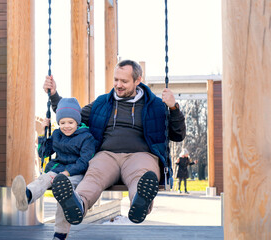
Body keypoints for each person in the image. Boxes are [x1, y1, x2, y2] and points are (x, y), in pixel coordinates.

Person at [44, 59, 186, 226]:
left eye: (124, 81)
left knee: (141, 177)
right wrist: (53, 95)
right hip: (106, 155)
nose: (118, 85)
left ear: (137, 80)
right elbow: (72, 116)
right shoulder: (102, 103)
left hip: (140, 155)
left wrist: (174, 108)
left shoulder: (155, 105)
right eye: (116, 80)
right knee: (93, 176)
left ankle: (139, 204)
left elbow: (178, 135)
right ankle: (78, 204)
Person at [11, 97, 97, 240]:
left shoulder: (86, 137)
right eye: (62, 123)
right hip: (57, 170)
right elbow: (43, 153)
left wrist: (67, 172)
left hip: (76, 173)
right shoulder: (57, 134)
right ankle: (26, 196)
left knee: (64, 196)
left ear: (77, 121)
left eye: (70, 122)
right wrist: (44, 133)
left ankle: (60, 233)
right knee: (43, 179)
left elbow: (85, 161)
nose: (66, 126)